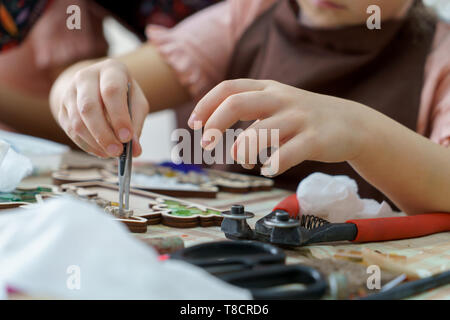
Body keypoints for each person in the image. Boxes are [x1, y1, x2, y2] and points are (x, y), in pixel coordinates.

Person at [49, 0, 450, 206]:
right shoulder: (248, 16)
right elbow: (113, 76)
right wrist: (82, 86)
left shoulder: (440, 56)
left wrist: (362, 133)